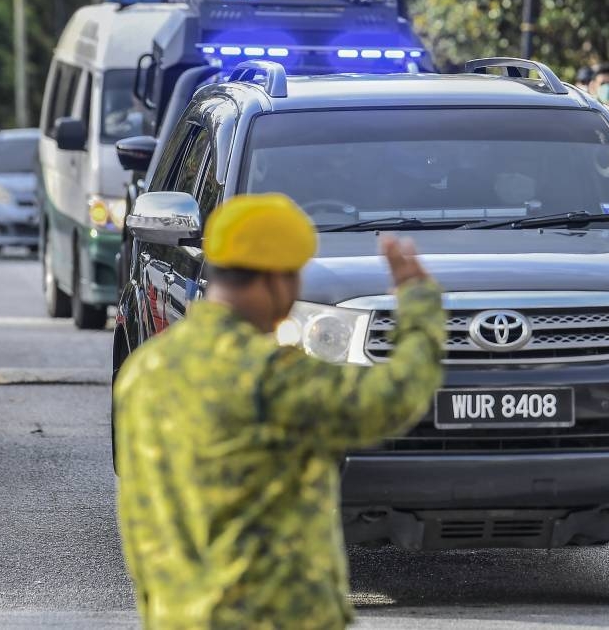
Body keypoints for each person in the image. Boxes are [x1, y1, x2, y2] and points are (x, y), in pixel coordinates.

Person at [114, 194, 446, 629]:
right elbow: (393, 399)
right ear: (275, 279)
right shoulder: (266, 372)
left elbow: (138, 518)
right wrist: (419, 305)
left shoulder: (144, 372)